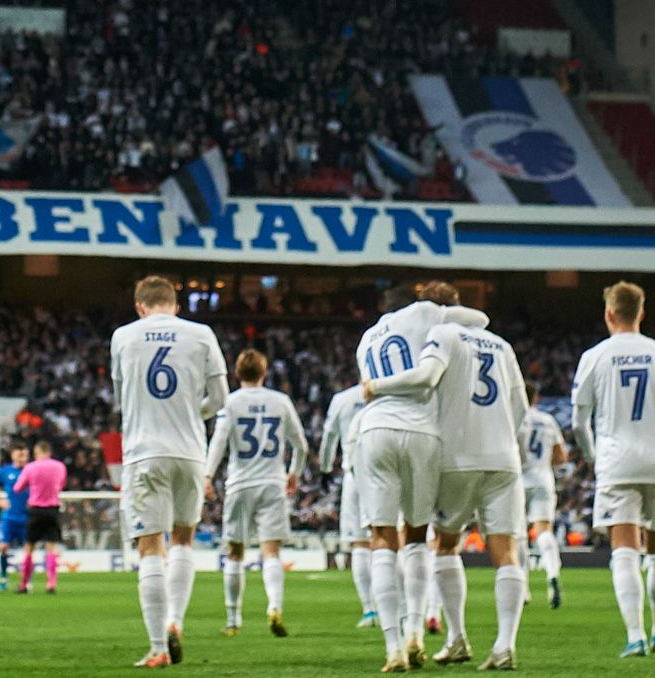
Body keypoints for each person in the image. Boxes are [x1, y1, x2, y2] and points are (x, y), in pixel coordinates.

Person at [368, 316, 529, 671]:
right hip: (504, 459)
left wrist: (375, 385)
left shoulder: (442, 334)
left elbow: (426, 377)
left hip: (458, 457)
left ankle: (456, 638)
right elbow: (521, 408)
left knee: (445, 544)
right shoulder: (502, 344)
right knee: (506, 551)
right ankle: (504, 645)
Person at [354, 281, 490, 673]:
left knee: (381, 537)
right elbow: (479, 321)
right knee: (415, 535)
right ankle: (415, 630)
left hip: (375, 427)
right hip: (420, 430)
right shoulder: (426, 313)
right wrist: (442, 311)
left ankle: (393, 647)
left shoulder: (367, 337)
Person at [572, 281, 655, 659]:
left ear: (609, 314)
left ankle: (636, 635)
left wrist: (593, 456)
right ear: (641, 313)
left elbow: (580, 422)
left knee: (624, 550)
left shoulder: (594, 357)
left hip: (617, 463)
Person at [110, 274, 228, 669]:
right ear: (176, 306)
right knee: (183, 540)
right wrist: (193, 414)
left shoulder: (124, 336)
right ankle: (176, 619)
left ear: (140, 306)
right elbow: (221, 399)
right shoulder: (201, 333)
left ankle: (159, 645)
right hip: (191, 451)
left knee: (149, 547)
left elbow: (119, 397)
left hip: (145, 452)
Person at [205, 349, 310, 638]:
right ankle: (274, 606)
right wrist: (294, 473)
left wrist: (207, 475)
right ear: (264, 373)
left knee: (235, 552)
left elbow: (219, 441)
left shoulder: (231, 402)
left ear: (237, 374)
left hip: (240, 483)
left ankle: (233, 620)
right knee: (271, 551)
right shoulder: (280, 401)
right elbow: (300, 444)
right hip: (272, 483)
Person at [319, 380, 380, 629]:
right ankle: (402, 610)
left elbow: (329, 436)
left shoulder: (341, 400)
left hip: (354, 473)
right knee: (390, 539)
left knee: (359, 543)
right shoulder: (389, 394)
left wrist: (324, 468)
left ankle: (369, 610)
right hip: (384, 473)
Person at [518, 384, 569, 609]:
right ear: (536, 397)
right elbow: (561, 457)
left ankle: (522, 588)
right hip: (543, 480)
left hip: (517, 481)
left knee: (517, 535)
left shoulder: (513, 420)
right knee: (543, 531)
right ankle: (552, 573)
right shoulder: (547, 420)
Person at [14, 439, 69, 594]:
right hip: (52, 509)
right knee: (51, 547)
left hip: (35, 510)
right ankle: (51, 583)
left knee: (29, 547)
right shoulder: (59, 467)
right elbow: (61, 485)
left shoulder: (30, 467)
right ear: (49, 452)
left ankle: (24, 584)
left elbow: (18, 488)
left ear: (36, 452)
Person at [0, 444, 30, 594]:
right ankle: (3, 580)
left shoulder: (30, 470)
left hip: (27, 517)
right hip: (9, 517)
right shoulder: (6, 471)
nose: (23, 458)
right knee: (3, 547)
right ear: (13, 455)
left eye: (25, 455)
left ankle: (25, 582)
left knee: (28, 550)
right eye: (20, 454)